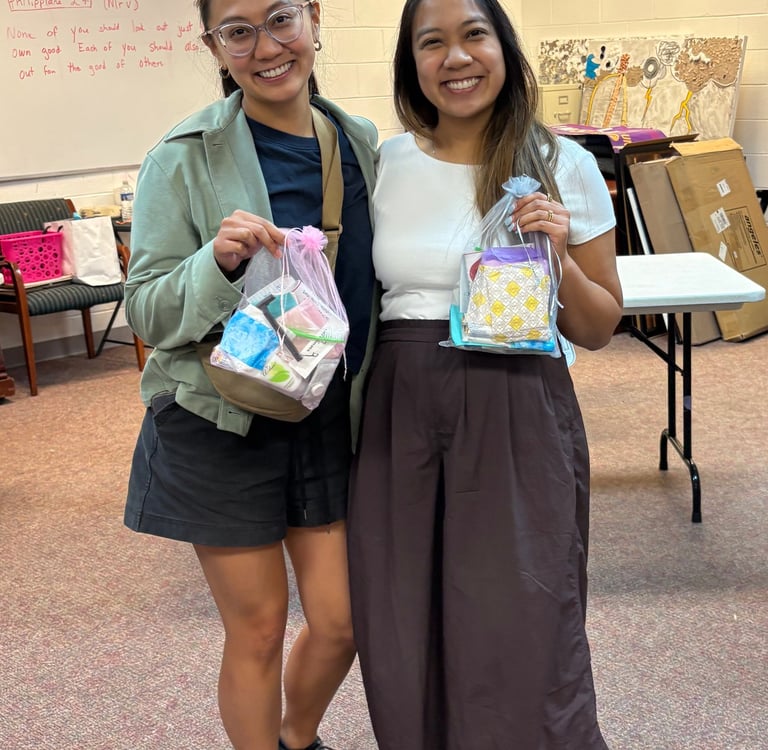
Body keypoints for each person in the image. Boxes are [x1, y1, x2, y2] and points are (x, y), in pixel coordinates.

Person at [346, 0, 623, 748]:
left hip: (516, 401)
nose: (456, 58)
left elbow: (600, 328)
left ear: (504, 46)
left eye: (473, 35)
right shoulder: (385, 162)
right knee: (402, 613)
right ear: (412, 64)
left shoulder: (559, 162)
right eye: (431, 43)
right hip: (400, 404)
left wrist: (558, 259)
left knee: (521, 613)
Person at [122, 1, 377, 748]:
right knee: (260, 628)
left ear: (314, 18)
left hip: (324, 410)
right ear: (215, 45)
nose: (266, 46)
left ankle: (297, 738)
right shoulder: (184, 155)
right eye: (238, 30)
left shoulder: (357, 144)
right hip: (221, 414)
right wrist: (216, 262)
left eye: (280, 19)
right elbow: (147, 311)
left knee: (342, 622)